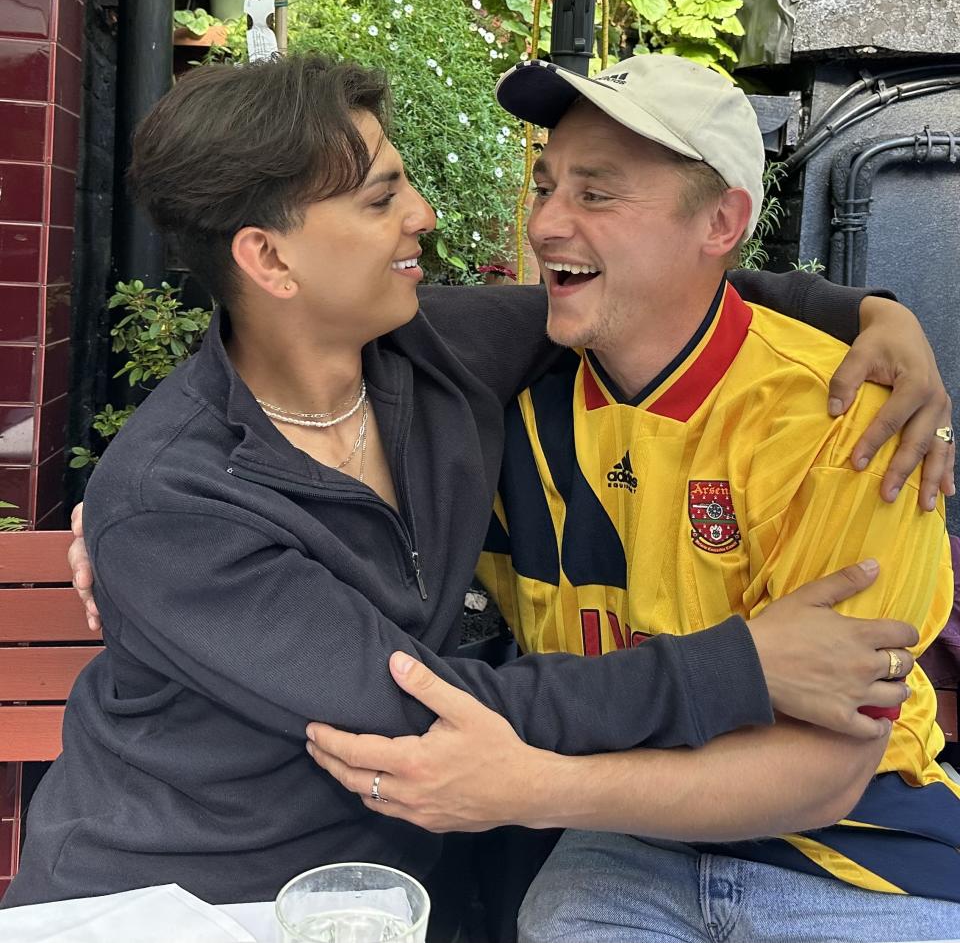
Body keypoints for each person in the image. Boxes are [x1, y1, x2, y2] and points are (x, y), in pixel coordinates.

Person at [42, 52, 948, 928]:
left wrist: (878, 315)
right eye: (381, 197)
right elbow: (417, 704)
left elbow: (684, 293)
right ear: (270, 261)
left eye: (591, 191)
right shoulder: (170, 499)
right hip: (174, 893)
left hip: (402, 883)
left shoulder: (439, 355)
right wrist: (743, 663)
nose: (426, 215)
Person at [303, 55, 960, 941]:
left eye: (597, 194)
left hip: (861, 854)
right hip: (624, 839)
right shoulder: (501, 406)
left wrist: (531, 787)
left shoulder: (848, 419)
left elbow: (825, 772)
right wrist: (136, 512)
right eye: (545, 186)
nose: (545, 223)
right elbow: (290, 369)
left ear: (722, 219)